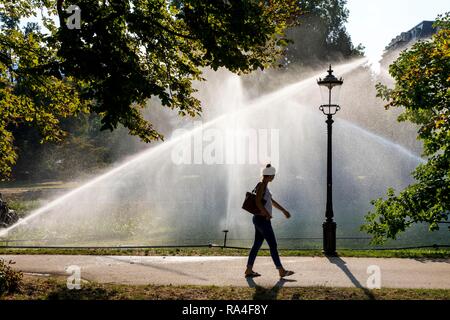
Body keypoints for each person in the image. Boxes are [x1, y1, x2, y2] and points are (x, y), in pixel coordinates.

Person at [245, 164, 295, 278]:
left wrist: (283, 210)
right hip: (262, 220)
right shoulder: (262, 185)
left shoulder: (264, 186)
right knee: (273, 245)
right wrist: (267, 214)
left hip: (259, 219)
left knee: (257, 245)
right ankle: (281, 270)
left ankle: (248, 270)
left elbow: (271, 202)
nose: (274, 177)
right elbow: (258, 202)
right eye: (273, 175)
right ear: (269, 176)